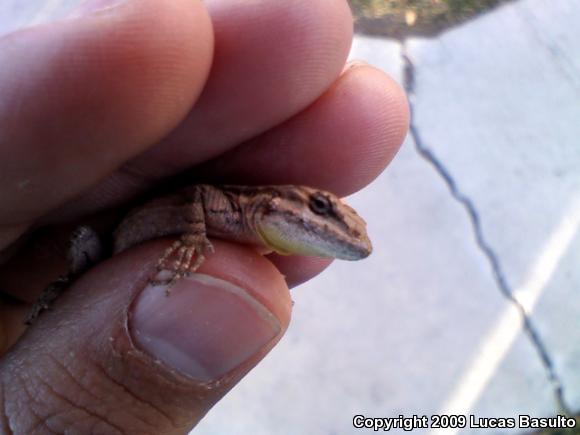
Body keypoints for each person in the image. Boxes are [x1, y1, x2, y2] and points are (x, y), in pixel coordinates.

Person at [0, 0, 409, 432]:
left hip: (113, 267)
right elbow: (197, 193)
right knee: (82, 239)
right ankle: (60, 287)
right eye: (321, 209)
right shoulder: (232, 208)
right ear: (279, 201)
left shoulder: (257, 236)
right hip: (107, 251)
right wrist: (195, 239)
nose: (332, 228)